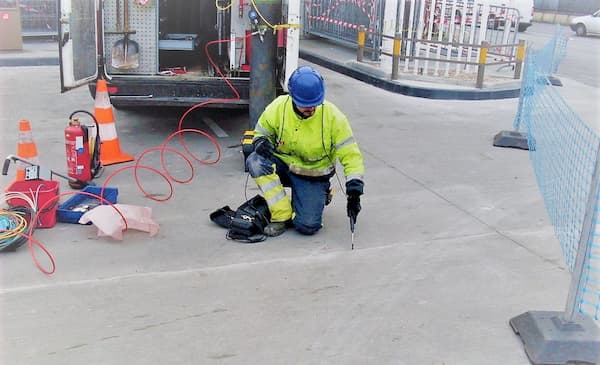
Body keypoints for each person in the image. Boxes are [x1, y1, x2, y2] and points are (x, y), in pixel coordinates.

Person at [246, 66, 365, 237]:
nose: (311, 109)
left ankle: (320, 194)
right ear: (292, 98)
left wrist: (354, 192)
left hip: (313, 175)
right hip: (284, 165)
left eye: (315, 104)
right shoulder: (278, 107)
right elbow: (260, 133)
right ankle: (282, 214)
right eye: (305, 105)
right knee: (255, 161)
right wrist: (260, 142)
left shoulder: (334, 117)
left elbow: (351, 155)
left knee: (307, 226)